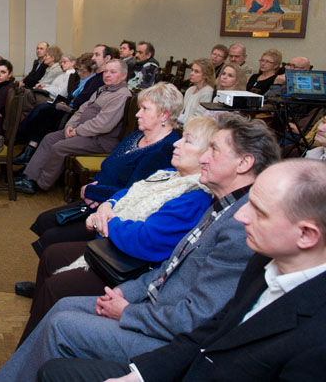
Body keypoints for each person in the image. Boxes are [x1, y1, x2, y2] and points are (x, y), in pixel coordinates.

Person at [0, 114, 281, 382]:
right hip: (154, 309)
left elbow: (195, 320)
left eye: (214, 150)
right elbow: (169, 270)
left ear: (243, 163)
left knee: (62, 324)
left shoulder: (240, 223)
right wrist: (123, 293)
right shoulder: (223, 203)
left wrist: (127, 311)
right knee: (64, 305)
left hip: (170, 340)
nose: (204, 157)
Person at [36, 159, 326, 382]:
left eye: (259, 211)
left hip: (182, 354)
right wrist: (139, 375)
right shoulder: (264, 263)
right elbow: (208, 334)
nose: (240, 215)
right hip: (178, 354)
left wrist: (128, 312)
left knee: (60, 344)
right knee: (54, 369)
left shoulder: (316, 339)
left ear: (306, 235)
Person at [16, 117, 217, 344]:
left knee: (57, 285)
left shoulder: (195, 195)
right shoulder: (170, 174)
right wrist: (107, 205)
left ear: (207, 157)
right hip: (117, 241)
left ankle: (36, 343)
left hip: (135, 266)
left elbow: (148, 241)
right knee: (51, 254)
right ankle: (39, 320)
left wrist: (108, 222)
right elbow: (130, 191)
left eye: (187, 141)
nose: (177, 144)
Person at [22, 83, 183, 253]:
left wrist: (92, 191)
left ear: (164, 115)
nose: (137, 114)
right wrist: (94, 189)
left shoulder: (164, 150)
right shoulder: (137, 135)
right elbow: (109, 165)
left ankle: (60, 271)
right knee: (45, 220)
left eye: (144, 109)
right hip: (98, 198)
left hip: (115, 214)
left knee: (52, 238)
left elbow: (133, 193)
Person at [14, 60, 132, 194]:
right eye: (105, 71)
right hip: (83, 132)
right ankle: (29, 177)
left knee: (60, 147)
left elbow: (102, 125)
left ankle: (41, 184)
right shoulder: (103, 89)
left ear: (124, 75)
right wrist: (70, 126)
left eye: (113, 72)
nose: (107, 75)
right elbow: (81, 110)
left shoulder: (122, 95)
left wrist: (77, 131)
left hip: (100, 140)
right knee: (50, 138)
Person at [177, 58, 215, 126]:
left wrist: (176, 116)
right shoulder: (190, 89)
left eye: (196, 71)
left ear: (205, 75)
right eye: (192, 70)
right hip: (183, 124)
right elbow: (182, 111)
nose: (191, 73)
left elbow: (198, 118)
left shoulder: (207, 92)